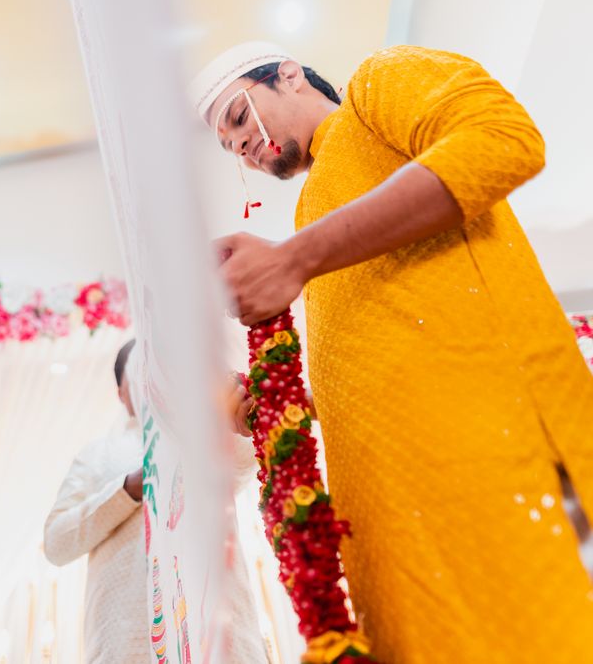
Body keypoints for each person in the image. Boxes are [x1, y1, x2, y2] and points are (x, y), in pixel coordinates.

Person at [194, 42, 593, 662]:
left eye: (239, 118)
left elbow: (503, 138)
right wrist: (265, 407)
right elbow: (371, 357)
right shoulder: (310, 212)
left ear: (291, 76)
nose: (239, 145)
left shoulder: (377, 86)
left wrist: (294, 259)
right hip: (396, 527)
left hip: (497, 465)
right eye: (227, 145)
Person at [43, 340, 268, 663]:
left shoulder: (206, 431)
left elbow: (240, 470)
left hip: (222, 629)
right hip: (126, 638)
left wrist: (236, 426)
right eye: (139, 372)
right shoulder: (97, 455)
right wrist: (127, 490)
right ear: (122, 393)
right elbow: (56, 542)